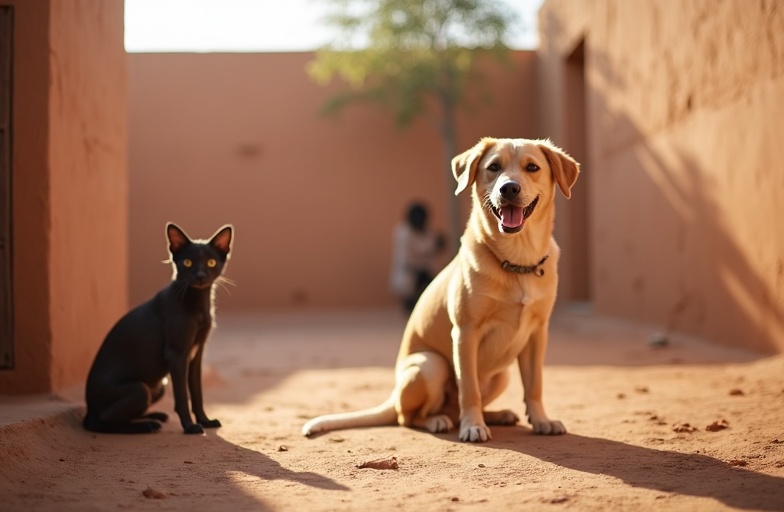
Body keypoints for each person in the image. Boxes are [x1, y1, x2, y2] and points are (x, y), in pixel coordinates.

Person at [389, 202, 445, 313]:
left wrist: (439, 245)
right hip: (409, 274)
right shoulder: (403, 232)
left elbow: (431, 250)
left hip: (424, 272)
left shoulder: (428, 231)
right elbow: (409, 257)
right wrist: (433, 247)